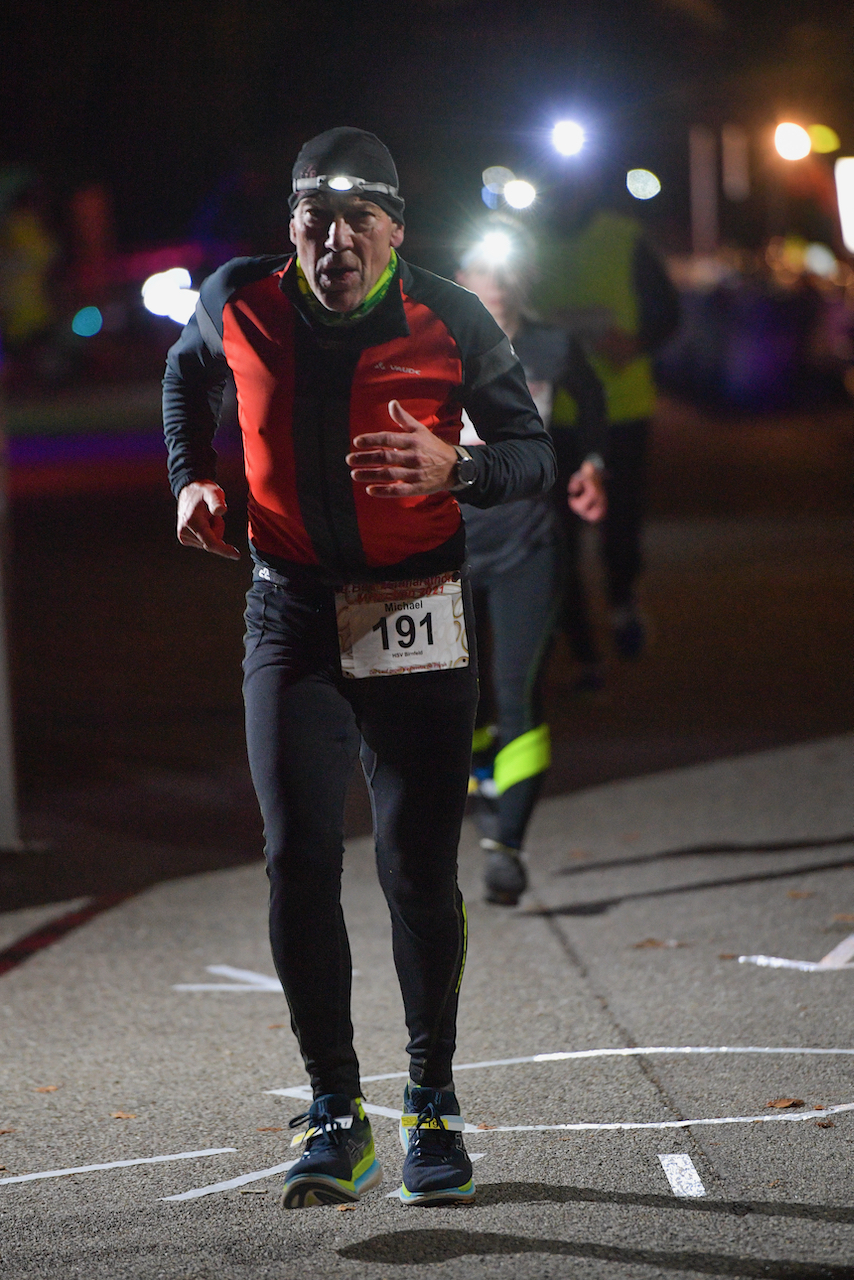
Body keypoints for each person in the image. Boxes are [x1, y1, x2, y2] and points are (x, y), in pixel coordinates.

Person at [162, 128, 555, 1209]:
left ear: (394, 229)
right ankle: (336, 1111)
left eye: (356, 221)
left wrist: (458, 464)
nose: (332, 241)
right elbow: (184, 373)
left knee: (417, 869)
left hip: (414, 613)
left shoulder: (450, 316)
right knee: (296, 854)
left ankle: (429, 1100)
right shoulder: (239, 298)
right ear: (288, 224)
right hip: (287, 608)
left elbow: (532, 454)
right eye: (311, 219)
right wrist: (192, 476)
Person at [456, 220, 607, 906]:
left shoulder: (550, 345)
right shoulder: (427, 346)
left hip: (530, 542)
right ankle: (482, 774)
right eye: (480, 293)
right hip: (444, 548)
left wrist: (592, 467)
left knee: (518, 690)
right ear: (458, 289)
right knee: (457, 699)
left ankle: (505, 845)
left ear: (520, 290)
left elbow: (595, 404)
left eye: (503, 294)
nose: (494, 304)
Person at [533, 184, 680, 676]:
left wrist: (634, 343)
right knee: (558, 538)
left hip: (622, 412)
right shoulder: (522, 242)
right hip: (554, 418)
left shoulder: (622, 237)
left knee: (620, 528)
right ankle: (581, 647)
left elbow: (668, 312)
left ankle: (621, 601)